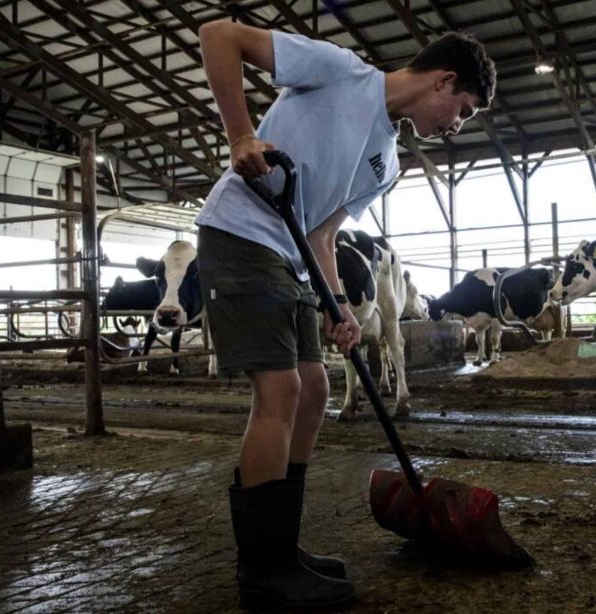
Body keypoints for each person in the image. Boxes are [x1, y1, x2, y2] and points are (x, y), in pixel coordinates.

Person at [194, 20, 496, 610]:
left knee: (313, 390)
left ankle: (281, 548)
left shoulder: (386, 162)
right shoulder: (337, 70)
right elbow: (217, 36)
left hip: (292, 257)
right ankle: (262, 573)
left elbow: (323, 234)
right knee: (280, 391)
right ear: (444, 80)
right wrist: (240, 137)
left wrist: (338, 307)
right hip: (239, 234)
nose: (455, 126)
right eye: (462, 111)